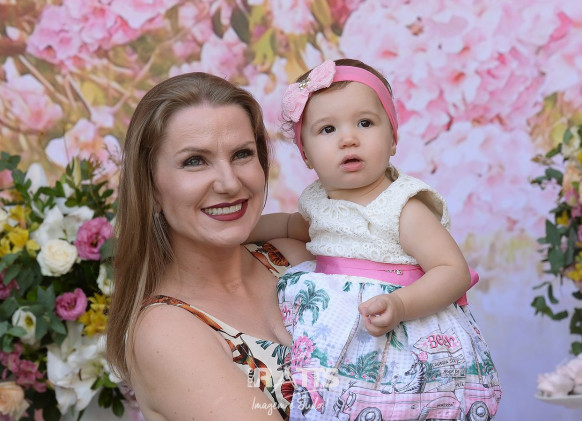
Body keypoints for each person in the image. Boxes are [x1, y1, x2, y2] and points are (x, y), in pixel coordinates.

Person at [252, 59, 501, 420]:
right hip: (340, 346)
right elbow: (291, 226)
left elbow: (453, 271)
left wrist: (400, 304)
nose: (348, 139)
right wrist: (243, 230)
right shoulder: (318, 203)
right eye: (327, 129)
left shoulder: (402, 207)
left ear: (393, 138)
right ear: (305, 154)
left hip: (404, 338)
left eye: (365, 123)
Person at [106, 72, 314, 421]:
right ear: (151, 188)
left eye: (242, 154)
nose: (229, 183)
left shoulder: (290, 256)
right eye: (194, 161)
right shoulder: (166, 331)